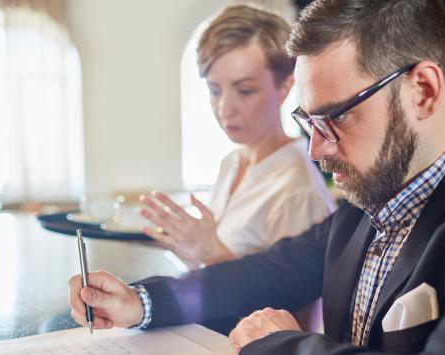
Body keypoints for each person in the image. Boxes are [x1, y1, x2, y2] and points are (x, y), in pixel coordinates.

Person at [69, 1, 445, 355]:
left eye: (336, 117)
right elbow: (264, 273)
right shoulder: (365, 204)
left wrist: (280, 349)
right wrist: (142, 303)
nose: (316, 149)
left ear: (423, 90)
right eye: (308, 121)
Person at [138, 5, 333, 270]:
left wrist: (211, 252)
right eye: (215, 90)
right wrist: (184, 244)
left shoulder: (298, 188)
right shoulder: (231, 162)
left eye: (244, 90)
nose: (224, 109)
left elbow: (295, 302)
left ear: (284, 87)